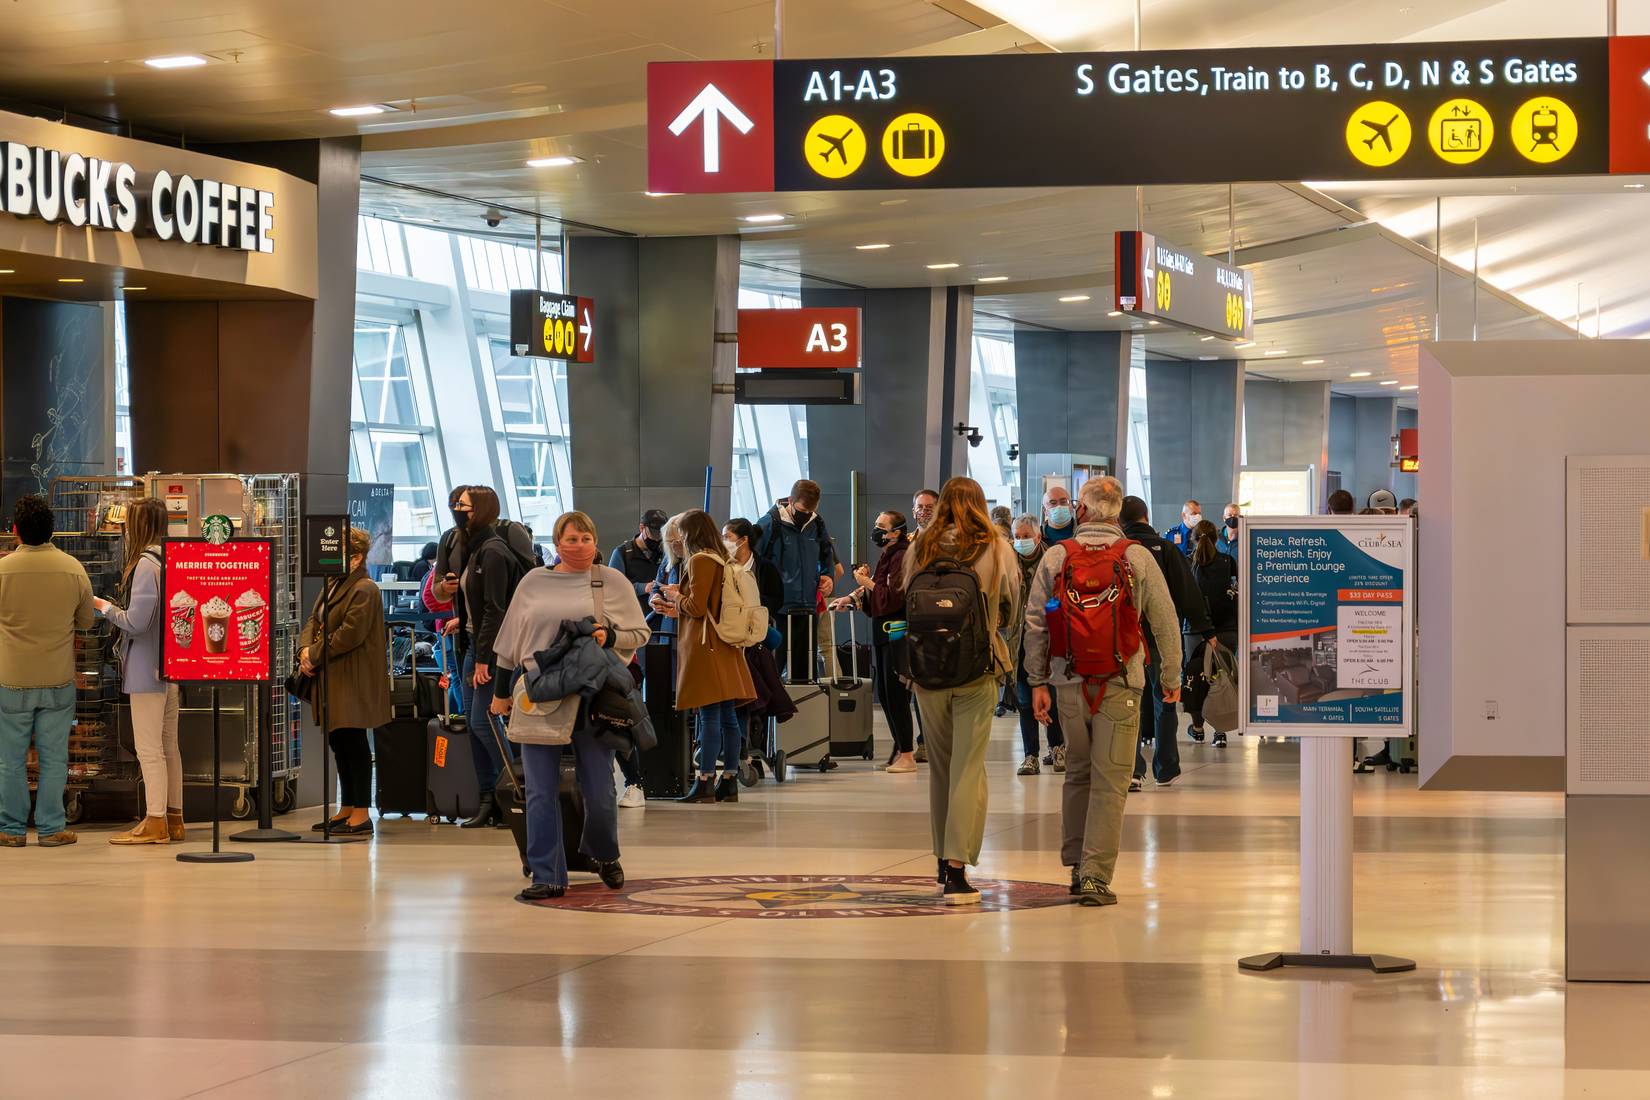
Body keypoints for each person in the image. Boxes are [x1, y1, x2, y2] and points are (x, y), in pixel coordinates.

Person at [1024, 476, 1183, 907]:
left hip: (1069, 681)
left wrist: (1037, 681)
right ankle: (1096, 875)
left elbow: (1036, 622)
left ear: (1084, 511)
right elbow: (1165, 621)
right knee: (1111, 780)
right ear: (1117, 513)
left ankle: (1077, 866)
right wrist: (1171, 678)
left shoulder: (1057, 555)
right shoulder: (1136, 556)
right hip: (1121, 682)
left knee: (1077, 771)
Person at [490, 511, 650, 901]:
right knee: (539, 789)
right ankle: (547, 873)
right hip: (537, 692)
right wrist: (500, 693)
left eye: (585, 538)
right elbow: (510, 640)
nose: (578, 546)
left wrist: (608, 634)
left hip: (591, 694)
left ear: (596, 542)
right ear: (556, 543)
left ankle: (604, 852)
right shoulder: (533, 581)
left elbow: (640, 632)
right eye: (570, 539)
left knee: (598, 786)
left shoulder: (611, 581)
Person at [904, 477, 1019, 905]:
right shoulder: (995, 546)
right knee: (969, 768)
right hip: (978, 667)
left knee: (941, 766)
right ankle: (956, 868)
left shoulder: (921, 546)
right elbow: (1009, 609)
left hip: (927, 671)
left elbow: (905, 600)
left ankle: (940, 859)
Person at [0, 495, 94, 848]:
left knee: (9, 759)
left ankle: (10, 829)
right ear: (53, 530)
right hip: (58, 678)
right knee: (55, 758)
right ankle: (52, 828)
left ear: (15, 530)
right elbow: (85, 621)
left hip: (11, 678)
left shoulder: (3, 570)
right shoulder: (73, 568)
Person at [98, 499, 184, 845]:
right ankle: (174, 817)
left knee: (149, 748)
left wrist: (105, 608)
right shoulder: (170, 559)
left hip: (147, 671)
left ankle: (155, 821)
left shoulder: (146, 566)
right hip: (169, 668)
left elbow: (136, 621)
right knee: (169, 746)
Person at [299, 526, 391, 835]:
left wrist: (314, 653)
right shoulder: (334, 583)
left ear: (356, 558)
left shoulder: (365, 589)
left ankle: (362, 813)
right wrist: (304, 650)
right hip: (333, 675)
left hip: (353, 678)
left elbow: (350, 634)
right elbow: (315, 619)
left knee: (354, 743)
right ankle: (347, 806)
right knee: (339, 742)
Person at [1120, 496, 1216, 787]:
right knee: (1167, 696)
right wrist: (1206, 629)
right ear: (1146, 516)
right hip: (1162, 636)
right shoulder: (1168, 549)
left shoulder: (1120, 551)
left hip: (1127, 638)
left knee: (1129, 702)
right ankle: (1166, 768)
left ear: (1120, 521)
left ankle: (1133, 770)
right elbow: (1188, 593)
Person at [449, 486, 530, 829]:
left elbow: (497, 610)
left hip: (490, 651)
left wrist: (485, 657)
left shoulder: (494, 551)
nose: (456, 509)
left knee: (485, 723)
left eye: (463, 505)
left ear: (479, 510)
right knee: (473, 724)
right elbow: (479, 605)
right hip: (472, 644)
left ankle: (512, 793)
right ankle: (488, 798)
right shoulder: (476, 548)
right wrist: (462, 620)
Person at [674, 510, 757, 804]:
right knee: (728, 718)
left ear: (691, 534)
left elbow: (696, 607)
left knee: (709, 716)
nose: (679, 539)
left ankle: (705, 781)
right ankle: (729, 781)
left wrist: (675, 597)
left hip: (705, 645)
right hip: (724, 644)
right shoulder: (723, 559)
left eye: (682, 534)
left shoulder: (700, 560)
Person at [830, 510, 917, 774]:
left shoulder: (902, 555)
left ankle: (908, 754)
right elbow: (877, 592)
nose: (876, 530)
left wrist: (865, 581)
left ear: (896, 532)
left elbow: (891, 597)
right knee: (886, 695)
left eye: (882, 526)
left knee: (896, 695)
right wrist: (852, 600)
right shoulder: (888, 555)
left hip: (896, 633)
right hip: (883, 632)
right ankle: (899, 750)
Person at [755, 479, 838, 679]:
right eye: (802, 510)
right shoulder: (769, 524)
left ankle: (804, 709)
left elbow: (827, 554)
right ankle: (770, 709)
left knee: (806, 671)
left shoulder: (816, 523)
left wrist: (828, 576)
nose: (806, 515)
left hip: (808, 606)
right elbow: (754, 561)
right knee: (774, 666)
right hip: (778, 609)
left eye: (811, 510)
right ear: (790, 501)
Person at [1008, 515, 1064, 776]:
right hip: (1018, 641)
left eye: (1025, 536)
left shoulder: (1053, 559)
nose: (1020, 541)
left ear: (1038, 536)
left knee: (1051, 696)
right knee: (1023, 699)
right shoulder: (1007, 562)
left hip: (1048, 640)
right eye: (1016, 537)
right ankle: (1030, 754)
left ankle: (1057, 747)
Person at [1184, 520, 1239, 749]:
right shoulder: (1228, 562)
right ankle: (1220, 732)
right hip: (1226, 630)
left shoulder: (1188, 564)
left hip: (1195, 632)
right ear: (1217, 539)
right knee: (1221, 679)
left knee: (1196, 680)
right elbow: (1237, 593)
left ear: (1193, 538)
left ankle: (1197, 729)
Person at [724, 518, 783, 644]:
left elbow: (777, 600)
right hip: (729, 626)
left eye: (727, 537)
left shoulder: (765, 567)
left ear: (743, 540)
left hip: (756, 626)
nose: (724, 542)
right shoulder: (722, 566)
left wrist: (752, 600)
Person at [610, 508, 668, 604]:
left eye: (661, 535)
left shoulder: (665, 552)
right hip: (632, 613)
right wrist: (643, 587)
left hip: (660, 614)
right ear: (642, 528)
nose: (657, 539)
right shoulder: (622, 553)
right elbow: (613, 588)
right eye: (654, 534)